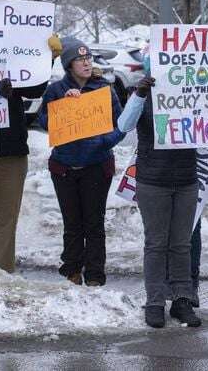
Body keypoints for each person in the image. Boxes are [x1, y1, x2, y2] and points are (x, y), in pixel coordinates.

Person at [116, 55, 202, 329]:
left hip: (187, 178)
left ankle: (181, 300)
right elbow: (124, 125)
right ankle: (154, 300)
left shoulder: (194, 92)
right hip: (153, 180)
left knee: (181, 244)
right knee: (156, 243)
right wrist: (140, 94)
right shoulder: (142, 93)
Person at [38, 38, 124, 287]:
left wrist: (104, 142)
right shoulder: (56, 90)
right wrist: (64, 106)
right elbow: (45, 122)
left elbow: (121, 124)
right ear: (68, 65)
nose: (86, 63)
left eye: (88, 58)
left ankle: (95, 274)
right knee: (72, 222)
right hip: (64, 167)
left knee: (94, 222)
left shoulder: (104, 89)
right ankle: (72, 270)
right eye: (80, 59)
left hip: (97, 165)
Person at [0, 34, 62, 273]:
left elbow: (35, 87)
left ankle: (2, 270)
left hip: (11, 146)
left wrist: (47, 58)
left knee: (6, 217)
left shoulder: (15, 60)